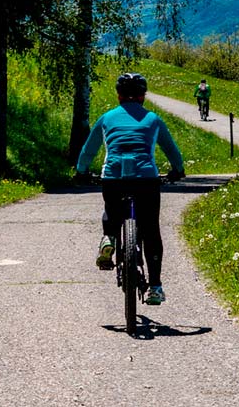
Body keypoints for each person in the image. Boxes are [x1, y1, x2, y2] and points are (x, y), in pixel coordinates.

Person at [75, 73, 185, 305]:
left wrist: (82, 171)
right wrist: (177, 169)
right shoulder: (153, 119)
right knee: (151, 230)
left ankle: (109, 239)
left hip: (114, 177)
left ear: (119, 95)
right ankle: (155, 286)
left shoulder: (106, 118)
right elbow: (172, 150)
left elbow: (88, 149)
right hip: (146, 178)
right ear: (143, 96)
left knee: (112, 212)